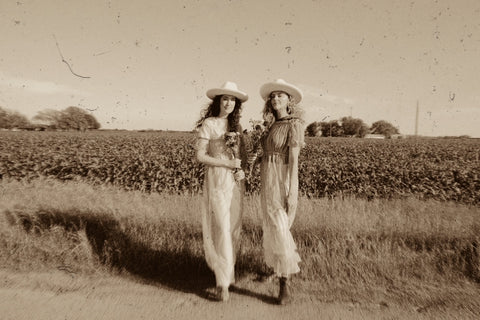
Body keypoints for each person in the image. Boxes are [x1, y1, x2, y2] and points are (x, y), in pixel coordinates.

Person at [195, 81, 248, 302]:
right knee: (222, 228)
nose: (228, 103)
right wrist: (226, 164)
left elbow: (241, 157)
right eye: (225, 99)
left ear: (236, 105)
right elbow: (200, 156)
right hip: (217, 179)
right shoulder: (209, 124)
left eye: (232, 100)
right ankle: (222, 283)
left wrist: (241, 170)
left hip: (235, 183)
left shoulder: (237, 127)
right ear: (219, 101)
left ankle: (227, 274)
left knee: (232, 228)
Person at [258, 79, 305, 305]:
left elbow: (294, 160)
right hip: (267, 180)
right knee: (272, 226)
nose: (275, 99)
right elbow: (268, 153)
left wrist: (291, 191)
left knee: (280, 227)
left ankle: (284, 284)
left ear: (289, 100)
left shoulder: (294, 124)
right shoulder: (272, 125)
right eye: (273, 96)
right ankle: (277, 270)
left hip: (282, 181)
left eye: (281, 95)